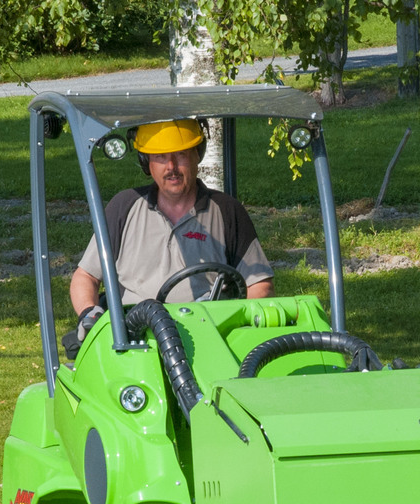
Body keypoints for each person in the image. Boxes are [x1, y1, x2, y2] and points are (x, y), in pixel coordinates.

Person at [66, 119, 271, 350]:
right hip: (135, 339)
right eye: (160, 157)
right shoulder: (124, 206)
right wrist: (89, 313)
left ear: (198, 155)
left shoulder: (226, 211)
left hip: (210, 338)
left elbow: (260, 284)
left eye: (181, 154)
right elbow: (86, 277)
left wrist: (233, 325)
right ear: (146, 162)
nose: (171, 167)